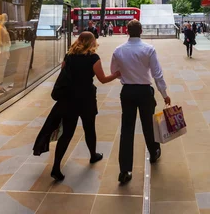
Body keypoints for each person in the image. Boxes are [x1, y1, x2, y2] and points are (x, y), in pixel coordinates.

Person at [41, 32, 121, 181]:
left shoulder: (68, 56)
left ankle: (56, 167)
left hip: (69, 99)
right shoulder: (93, 58)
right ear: (92, 42)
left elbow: (63, 75)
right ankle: (93, 155)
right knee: (89, 128)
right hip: (86, 99)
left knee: (67, 134)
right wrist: (116, 75)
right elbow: (102, 79)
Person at [111, 20, 171, 184]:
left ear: (127, 31)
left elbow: (113, 72)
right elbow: (157, 74)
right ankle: (153, 152)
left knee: (127, 129)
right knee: (148, 125)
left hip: (128, 91)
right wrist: (164, 93)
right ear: (142, 31)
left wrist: (127, 77)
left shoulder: (118, 50)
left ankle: (124, 170)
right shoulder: (149, 49)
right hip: (145, 91)